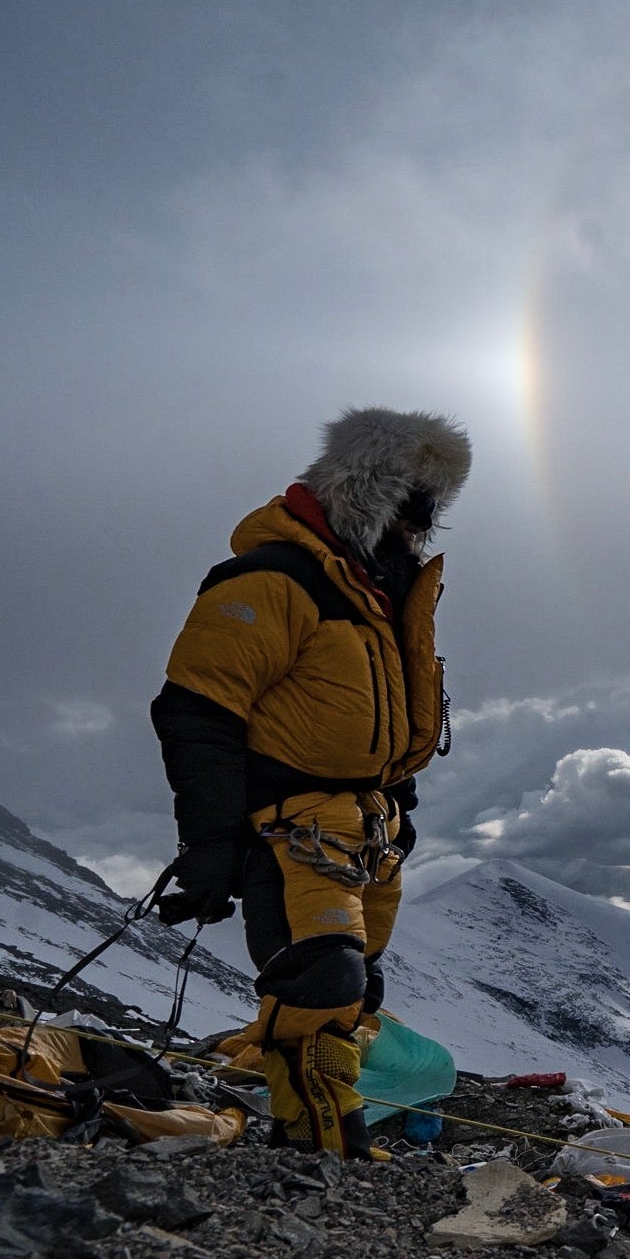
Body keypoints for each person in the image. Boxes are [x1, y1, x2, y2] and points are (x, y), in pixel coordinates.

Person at [150, 408, 469, 1157]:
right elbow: (198, 710)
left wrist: (397, 801)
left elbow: (365, 716)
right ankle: (319, 1145)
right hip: (293, 826)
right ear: (367, 496)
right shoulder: (274, 582)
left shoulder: (372, 598)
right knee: (319, 980)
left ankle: (326, 1134)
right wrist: (211, 842)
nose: (418, 530)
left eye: (428, 512)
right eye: (408, 507)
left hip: (365, 828)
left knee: (357, 990)